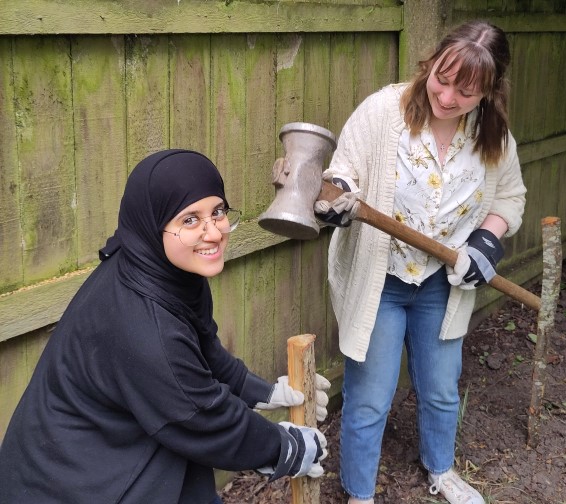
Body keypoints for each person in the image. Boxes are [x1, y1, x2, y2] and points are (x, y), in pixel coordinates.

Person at [0, 149, 330, 504]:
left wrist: (258, 391)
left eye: (217, 211)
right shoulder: (144, 325)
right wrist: (282, 447)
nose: (214, 233)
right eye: (189, 220)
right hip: (70, 479)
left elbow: (202, 346)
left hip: (119, 438)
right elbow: (202, 417)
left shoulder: (165, 272)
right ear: (152, 223)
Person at [314, 20, 526, 504]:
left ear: (490, 93)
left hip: (440, 286)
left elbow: (509, 199)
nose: (447, 98)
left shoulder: (494, 137)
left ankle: (441, 468)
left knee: (441, 389)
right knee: (369, 399)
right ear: (431, 64)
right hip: (381, 281)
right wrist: (340, 199)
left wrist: (486, 244)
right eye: (442, 79)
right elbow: (342, 173)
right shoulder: (383, 113)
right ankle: (360, 494)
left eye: (466, 92)